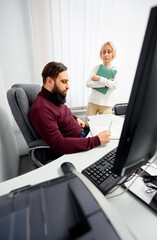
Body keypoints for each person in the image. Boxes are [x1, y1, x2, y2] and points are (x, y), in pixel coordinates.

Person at [29, 61, 111, 161]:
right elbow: (59, 145)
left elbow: (60, 114)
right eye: (64, 82)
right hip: (78, 143)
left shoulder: (54, 97)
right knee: (108, 157)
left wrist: (75, 119)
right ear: (49, 81)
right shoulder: (41, 110)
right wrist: (97, 140)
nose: (68, 86)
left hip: (83, 133)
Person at [86, 41, 118, 124]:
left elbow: (114, 85)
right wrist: (106, 83)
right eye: (104, 52)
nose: (106, 54)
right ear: (101, 54)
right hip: (93, 101)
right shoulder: (96, 68)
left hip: (107, 105)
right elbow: (88, 83)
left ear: (113, 54)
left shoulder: (115, 70)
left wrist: (99, 78)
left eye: (109, 52)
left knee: (104, 129)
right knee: (87, 127)